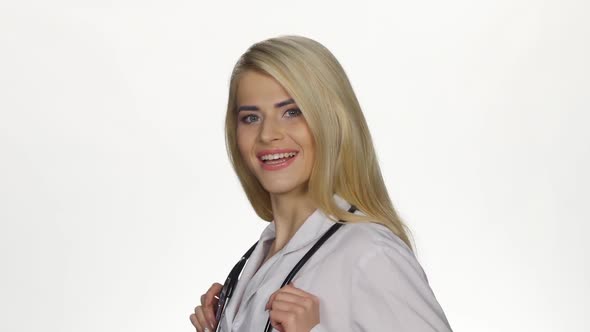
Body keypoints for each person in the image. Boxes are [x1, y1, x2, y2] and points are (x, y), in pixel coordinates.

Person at [190, 35, 452, 332]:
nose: (267, 135)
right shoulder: (255, 263)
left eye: (292, 112)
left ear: (332, 121)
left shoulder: (370, 254)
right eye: (251, 118)